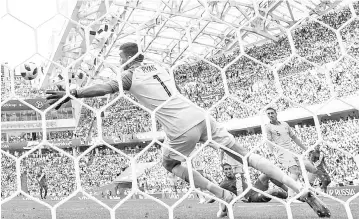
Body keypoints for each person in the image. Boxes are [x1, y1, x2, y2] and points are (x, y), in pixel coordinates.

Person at [46, 42, 330, 218]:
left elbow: (107, 88)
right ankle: (300, 189)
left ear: (128, 58)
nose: (120, 63)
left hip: (180, 128)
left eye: (121, 58)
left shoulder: (128, 74)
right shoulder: (162, 67)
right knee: (245, 155)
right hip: (201, 115)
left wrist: (75, 93)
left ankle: (222, 194)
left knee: (168, 162)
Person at [265, 107, 324, 201]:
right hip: (282, 152)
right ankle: (291, 197)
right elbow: (268, 141)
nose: (270, 115)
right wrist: (273, 154)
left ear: (276, 113)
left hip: (292, 151)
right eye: (268, 114)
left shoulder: (285, 124)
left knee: (312, 169)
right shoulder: (268, 127)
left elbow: (294, 138)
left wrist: (306, 149)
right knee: (295, 171)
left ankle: (307, 190)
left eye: (272, 113)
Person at [207, 163, 288, 203]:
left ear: (232, 169)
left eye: (229, 169)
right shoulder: (223, 184)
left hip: (255, 188)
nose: (228, 171)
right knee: (274, 191)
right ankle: (289, 196)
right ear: (223, 172)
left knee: (268, 173)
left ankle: (290, 192)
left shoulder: (238, 175)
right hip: (252, 197)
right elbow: (216, 193)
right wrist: (208, 202)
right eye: (226, 169)